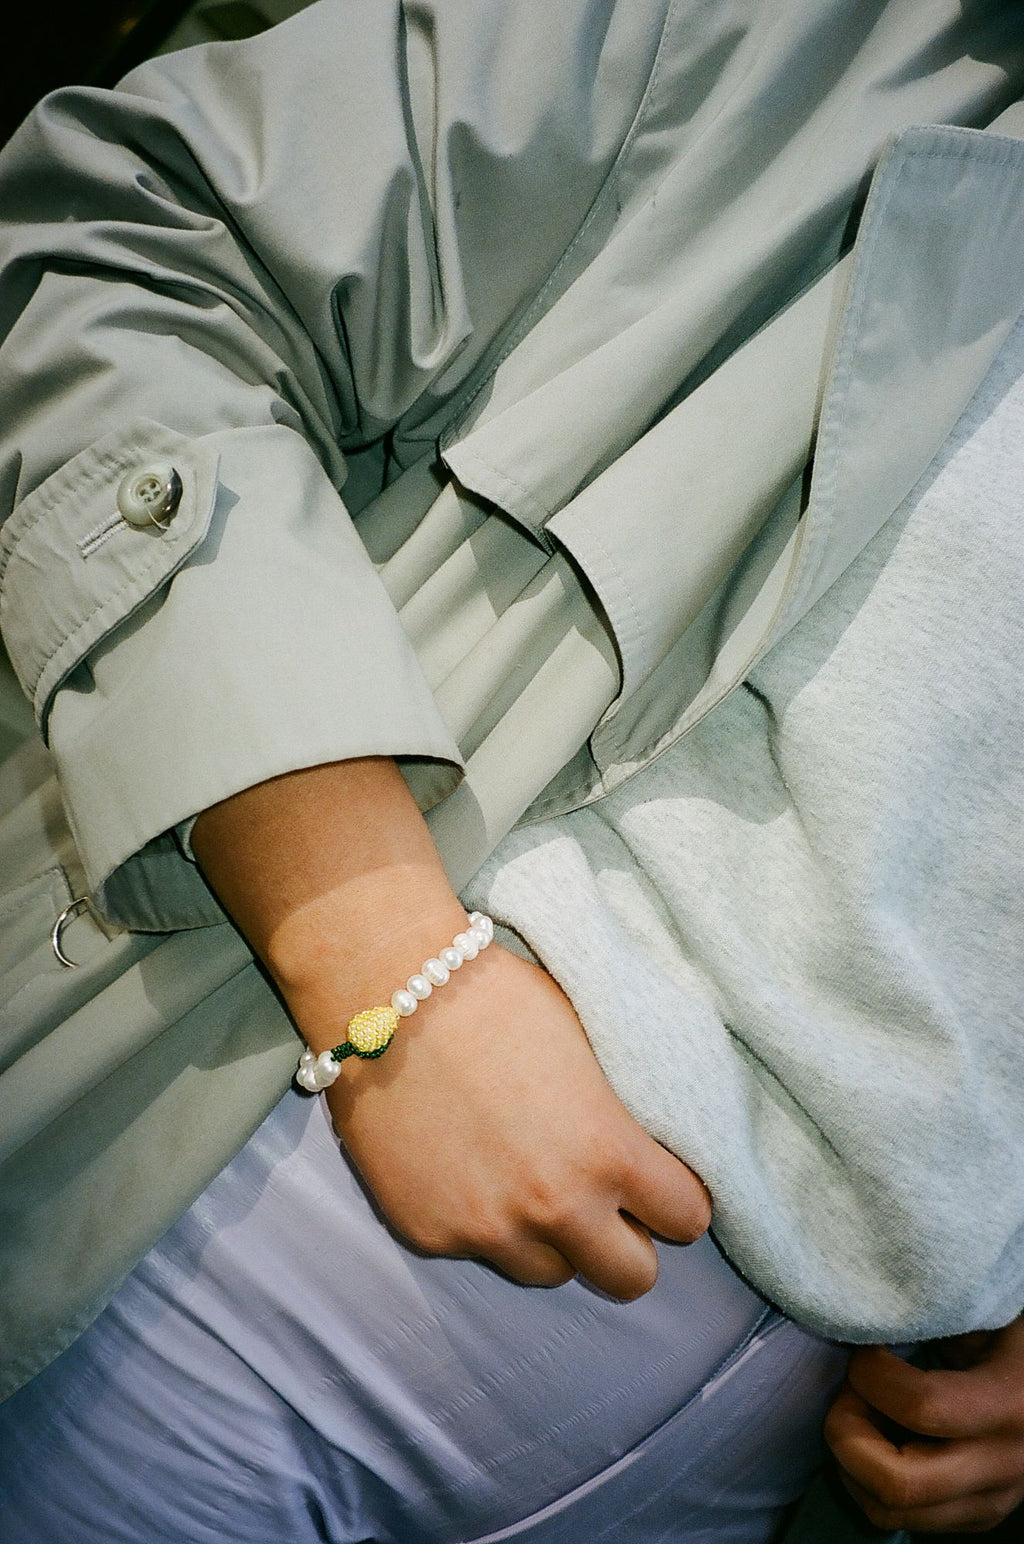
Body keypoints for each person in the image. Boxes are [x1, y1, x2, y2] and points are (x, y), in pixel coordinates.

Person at [1, 1, 1023, 1538]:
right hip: (271, 1226)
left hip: (794, 1466)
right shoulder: (799, 37)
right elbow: (126, 236)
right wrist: (380, 958)